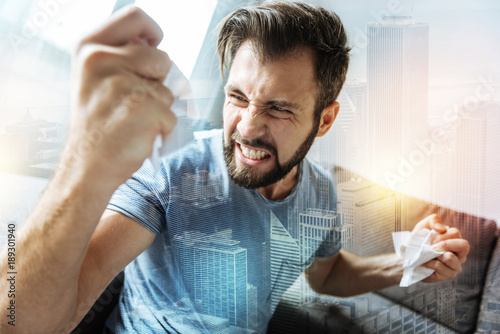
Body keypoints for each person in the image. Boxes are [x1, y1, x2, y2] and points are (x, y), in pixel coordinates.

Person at [0, 2, 469, 333]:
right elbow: (19, 319)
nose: (246, 128)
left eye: (279, 109)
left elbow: (326, 275)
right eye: (237, 97)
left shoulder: (323, 195)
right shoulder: (173, 169)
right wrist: (84, 165)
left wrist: (406, 262)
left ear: (324, 119)